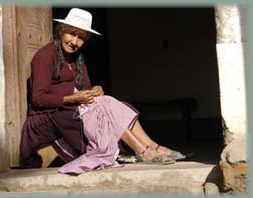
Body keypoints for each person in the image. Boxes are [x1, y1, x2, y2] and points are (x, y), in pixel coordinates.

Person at [19, 8, 185, 173]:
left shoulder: (78, 58)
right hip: (46, 116)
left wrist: (95, 91)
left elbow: (85, 89)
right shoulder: (45, 56)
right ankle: (141, 150)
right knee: (104, 108)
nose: (75, 42)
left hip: (71, 107)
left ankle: (151, 146)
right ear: (61, 31)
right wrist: (71, 99)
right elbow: (38, 99)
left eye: (81, 38)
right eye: (72, 34)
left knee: (109, 102)